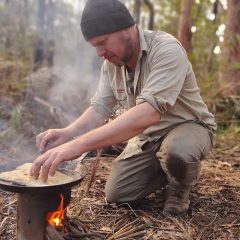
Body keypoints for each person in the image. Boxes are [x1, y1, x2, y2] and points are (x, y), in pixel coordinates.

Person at [31, 0, 217, 216]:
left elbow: (147, 114)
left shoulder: (167, 49)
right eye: (95, 46)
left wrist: (78, 146)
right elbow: (100, 108)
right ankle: (169, 169)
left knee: (178, 152)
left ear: (127, 29)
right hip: (148, 139)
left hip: (188, 127)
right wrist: (67, 133)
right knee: (118, 194)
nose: (100, 52)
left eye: (103, 42)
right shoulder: (111, 64)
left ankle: (180, 185)